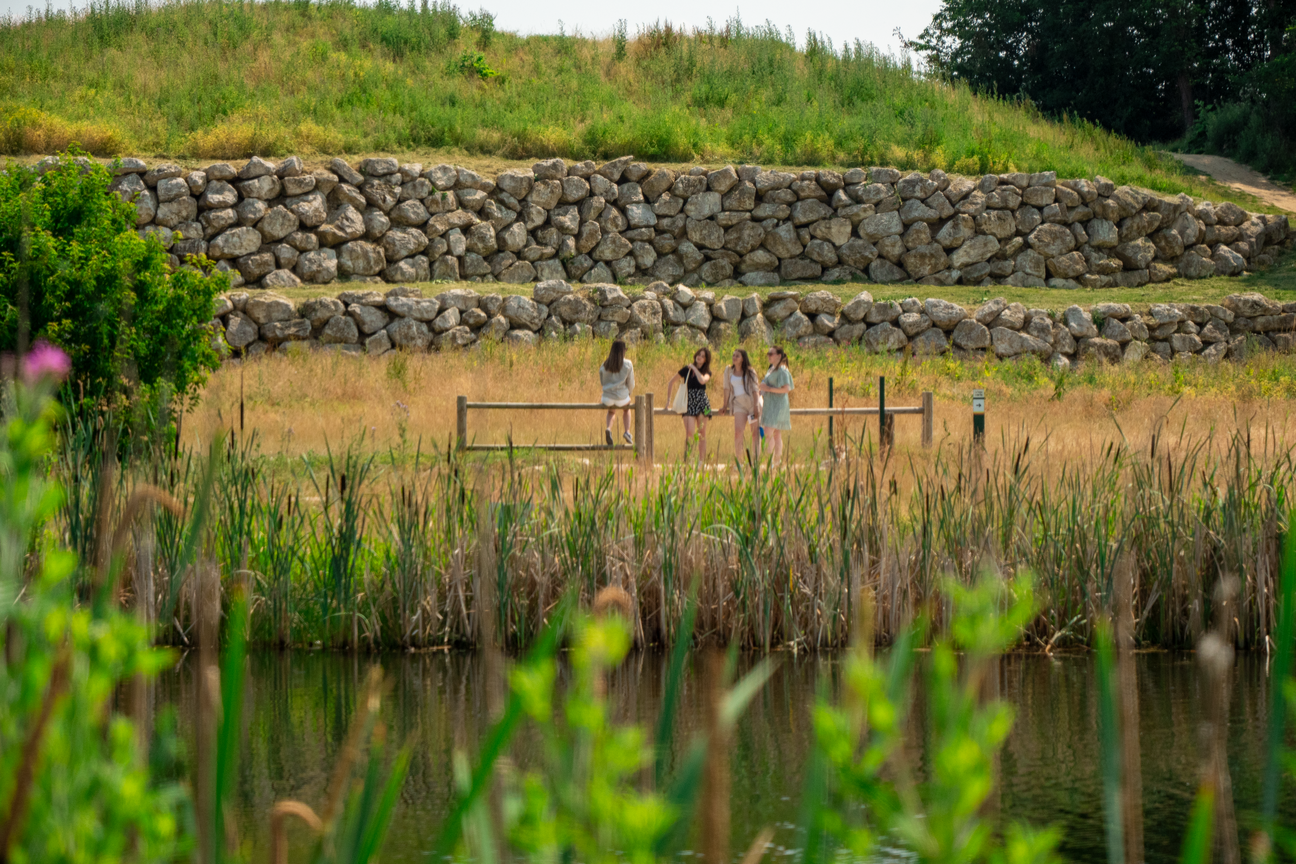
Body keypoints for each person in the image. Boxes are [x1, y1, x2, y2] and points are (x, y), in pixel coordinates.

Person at [665, 347, 712, 464]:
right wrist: (668, 401)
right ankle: (688, 460)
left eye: (702, 356)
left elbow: (702, 380)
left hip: (703, 403)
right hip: (688, 402)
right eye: (698, 354)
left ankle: (701, 461)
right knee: (689, 433)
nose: (699, 357)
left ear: (706, 360)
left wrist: (695, 368)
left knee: (702, 433)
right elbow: (671, 382)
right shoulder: (686, 369)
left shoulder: (707, 372)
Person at [721, 348, 761, 463]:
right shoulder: (728, 370)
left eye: (737, 356)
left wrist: (756, 406)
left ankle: (755, 461)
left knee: (755, 433)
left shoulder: (750, 371)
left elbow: (755, 389)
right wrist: (724, 405)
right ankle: (740, 461)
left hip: (751, 403)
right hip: (738, 404)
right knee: (738, 432)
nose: (734, 358)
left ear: (743, 358)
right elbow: (726, 388)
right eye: (733, 355)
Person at [759, 345, 794, 464]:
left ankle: (771, 462)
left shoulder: (783, 370)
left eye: (771, 354)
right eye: (768, 354)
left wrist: (768, 388)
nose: (768, 356)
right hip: (770, 404)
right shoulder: (772, 369)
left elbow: (786, 389)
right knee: (776, 434)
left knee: (767, 434)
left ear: (779, 356)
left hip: (777, 406)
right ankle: (776, 462)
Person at [599, 339, 635, 446]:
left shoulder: (604, 364)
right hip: (621, 396)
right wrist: (629, 393)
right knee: (626, 409)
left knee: (611, 412)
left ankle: (609, 429)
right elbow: (631, 383)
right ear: (623, 350)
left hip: (607, 397)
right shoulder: (628, 364)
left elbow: (602, 381)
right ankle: (627, 432)